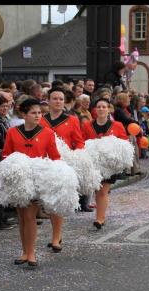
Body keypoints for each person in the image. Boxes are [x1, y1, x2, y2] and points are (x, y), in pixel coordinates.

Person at [2, 98, 61, 267]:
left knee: (29, 216)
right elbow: (6, 154)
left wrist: (51, 171)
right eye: (33, 113)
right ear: (24, 114)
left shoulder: (47, 133)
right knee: (22, 217)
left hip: (36, 180)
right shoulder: (13, 132)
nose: (37, 116)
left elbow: (55, 156)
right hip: (19, 180)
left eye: (39, 113)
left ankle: (31, 253)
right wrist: (13, 167)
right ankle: (25, 251)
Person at [39, 87, 86, 248]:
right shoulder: (41, 119)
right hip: (44, 163)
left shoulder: (72, 119)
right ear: (48, 100)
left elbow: (79, 142)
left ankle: (56, 237)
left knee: (57, 199)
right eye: (55, 99)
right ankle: (55, 235)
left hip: (62, 163)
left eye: (61, 99)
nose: (58, 101)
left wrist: (76, 156)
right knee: (47, 201)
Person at [81, 98, 129, 229]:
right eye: (99, 107)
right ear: (95, 109)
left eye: (104, 107)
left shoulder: (117, 125)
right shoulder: (87, 125)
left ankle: (100, 218)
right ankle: (100, 216)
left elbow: (124, 143)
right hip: (94, 164)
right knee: (97, 190)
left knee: (103, 191)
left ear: (109, 109)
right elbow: (82, 143)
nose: (101, 109)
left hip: (109, 166)